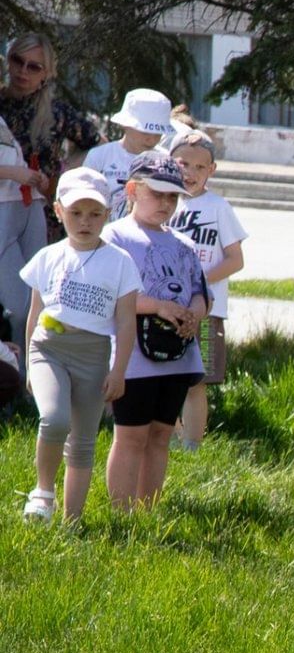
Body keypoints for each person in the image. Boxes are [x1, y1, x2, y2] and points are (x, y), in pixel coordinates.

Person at [15, 168, 138, 522]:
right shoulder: (48, 256)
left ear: (108, 214)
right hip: (48, 348)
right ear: (58, 211)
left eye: (95, 214)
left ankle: (73, 523)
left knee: (83, 442)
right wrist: (28, 364)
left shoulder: (120, 263)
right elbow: (34, 312)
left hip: (94, 355)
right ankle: (43, 493)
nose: (85, 222)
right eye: (76, 213)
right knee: (54, 419)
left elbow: (126, 321)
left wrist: (119, 370)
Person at [102, 150, 207, 510]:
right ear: (132, 189)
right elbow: (114, 295)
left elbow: (198, 293)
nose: (166, 203)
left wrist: (194, 314)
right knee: (131, 435)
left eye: (172, 196)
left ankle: (148, 511)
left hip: (177, 355)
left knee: (161, 434)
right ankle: (121, 511)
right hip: (133, 356)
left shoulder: (184, 244)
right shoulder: (114, 237)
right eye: (157, 193)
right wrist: (159, 306)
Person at [165, 127, 246, 450]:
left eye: (200, 167)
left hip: (207, 311)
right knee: (166, 377)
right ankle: (169, 436)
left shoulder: (218, 208)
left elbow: (235, 259)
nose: (191, 173)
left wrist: (199, 282)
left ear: (212, 170)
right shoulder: (163, 203)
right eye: (184, 164)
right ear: (170, 162)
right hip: (167, 308)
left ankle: (193, 445)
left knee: (197, 380)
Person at [1, 33, 102, 247]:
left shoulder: (58, 112)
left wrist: (64, 175)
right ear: (8, 59)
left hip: (41, 212)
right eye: (18, 61)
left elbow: (98, 143)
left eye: (34, 67)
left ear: (46, 73)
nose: (23, 70)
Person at [85, 89, 175, 221]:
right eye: (145, 132)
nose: (151, 139)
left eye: (158, 133)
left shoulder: (165, 160)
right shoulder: (99, 156)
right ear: (125, 125)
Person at [0, 114, 41, 332]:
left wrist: (33, 176)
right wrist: (13, 173)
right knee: (18, 307)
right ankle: (17, 363)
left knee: (41, 291)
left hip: (28, 203)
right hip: (3, 210)